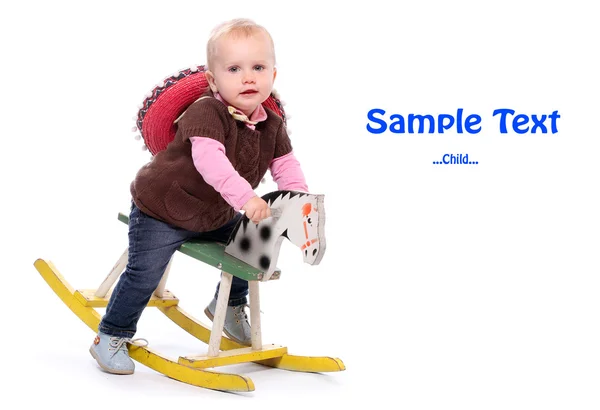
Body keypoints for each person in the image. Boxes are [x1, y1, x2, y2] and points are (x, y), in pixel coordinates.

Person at [90, 18, 308, 375]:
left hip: (214, 214)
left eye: (258, 67)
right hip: (163, 208)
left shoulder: (271, 122)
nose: (248, 77)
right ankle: (111, 335)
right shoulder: (206, 111)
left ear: (273, 75)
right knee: (144, 273)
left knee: (255, 243)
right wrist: (248, 199)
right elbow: (212, 164)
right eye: (234, 69)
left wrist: (298, 199)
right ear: (213, 80)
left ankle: (230, 308)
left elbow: (285, 164)